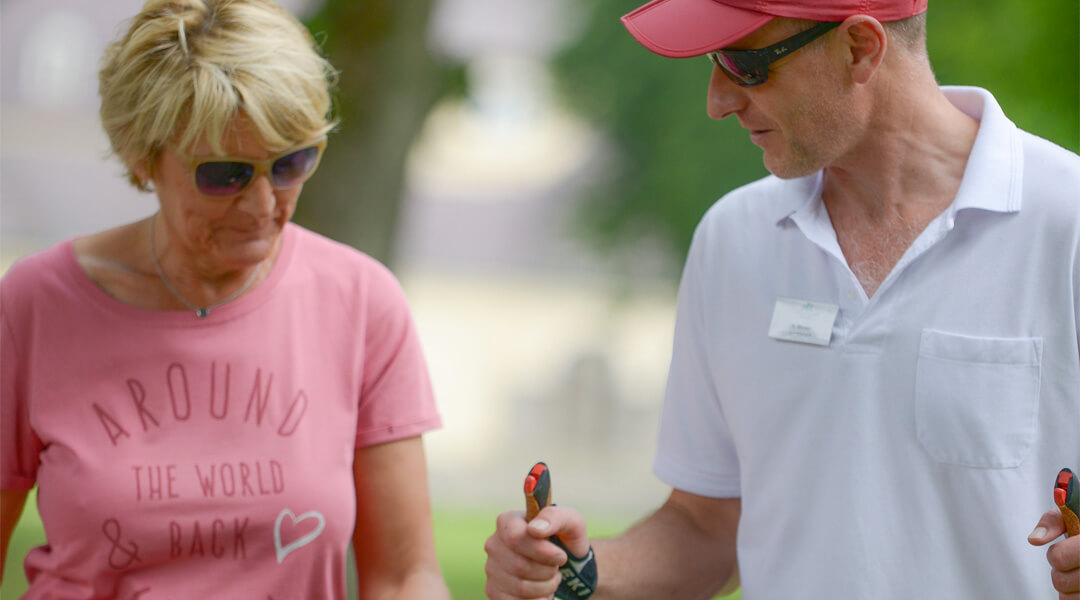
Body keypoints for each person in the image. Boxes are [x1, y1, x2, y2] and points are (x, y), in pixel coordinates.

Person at [484, 0, 1080, 598]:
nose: (717, 102)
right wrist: (577, 573)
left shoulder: (1069, 225)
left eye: (745, 65)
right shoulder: (733, 239)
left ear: (860, 49)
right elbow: (706, 526)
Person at [0, 1, 450, 598]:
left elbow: (403, 577)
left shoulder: (362, 302)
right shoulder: (35, 304)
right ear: (144, 156)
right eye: (225, 174)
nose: (264, 206)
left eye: (292, 163)